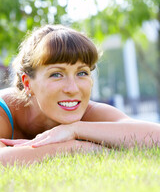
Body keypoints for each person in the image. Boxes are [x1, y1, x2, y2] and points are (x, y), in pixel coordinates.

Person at [0, 24, 160, 166]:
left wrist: (76, 129)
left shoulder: (88, 112)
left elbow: (155, 138)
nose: (73, 88)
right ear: (28, 84)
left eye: (82, 72)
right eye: (56, 74)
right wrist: (74, 147)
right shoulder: (4, 112)